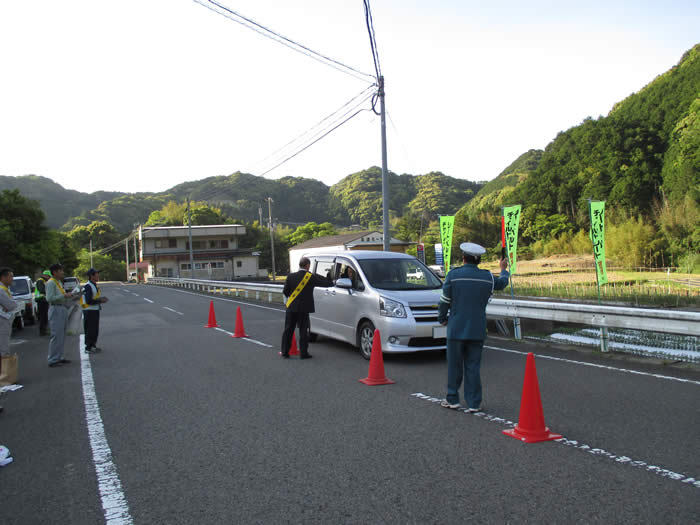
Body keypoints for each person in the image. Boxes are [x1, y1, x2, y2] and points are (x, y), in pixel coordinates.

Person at [438, 243, 509, 411]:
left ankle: (453, 399)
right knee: (473, 366)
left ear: (463, 258)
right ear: (479, 260)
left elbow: (444, 301)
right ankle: (474, 403)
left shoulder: (453, 275)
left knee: (454, 366)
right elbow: (503, 282)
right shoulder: (487, 277)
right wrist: (503, 268)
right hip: (477, 329)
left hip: (456, 328)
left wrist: (442, 318)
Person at [281, 257, 333, 359]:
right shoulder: (310, 277)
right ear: (308, 265)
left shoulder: (290, 276)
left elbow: (285, 291)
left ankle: (285, 352)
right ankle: (303, 353)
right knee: (303, 330)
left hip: (291, 307)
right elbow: (324, 283)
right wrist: (331, 280)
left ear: (300, 265)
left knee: (288, 330)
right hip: (304, 308)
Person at [46, 263, 77, 367]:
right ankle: (53, 359)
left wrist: (69, 296)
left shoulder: (58, 282)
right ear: (55, 272)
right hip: (55, 309)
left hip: (62, 308)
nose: (62, 272)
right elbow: (49, 298)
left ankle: (59, 356)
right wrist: (64, 295)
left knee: (62, 335)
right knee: (56, 335)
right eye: (60, 271)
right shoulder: (51, 283)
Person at [0, 268, 19, 414]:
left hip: (5, 323)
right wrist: (11, 304)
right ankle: (4, 378)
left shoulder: (4, 289)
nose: (12, 279)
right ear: (3, 277)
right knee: (3, 352)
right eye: (11, 276)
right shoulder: (1, 289)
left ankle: (5, 377)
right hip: (2, 325)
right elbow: (12, 305)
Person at [81, 268, 108, 354]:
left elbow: (94, 298)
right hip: (89, 311)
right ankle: (88, 347)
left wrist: (100, 299)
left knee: (94, 329)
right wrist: (100, 300)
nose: (98, 276)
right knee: (90, 329)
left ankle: (93, 345)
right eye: (96, 274)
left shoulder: (94, 285)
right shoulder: (88, 286)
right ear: (91, 276)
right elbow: (89, 300)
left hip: (94, 310)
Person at [34, 270, 50, 336]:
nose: (49, 278)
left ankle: (44, 330)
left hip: (43, 300)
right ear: (45, 275)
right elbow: (42, 290)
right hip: (41, 300)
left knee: (45, 316)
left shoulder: (43, 281)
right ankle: (42, 331)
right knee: (43, 316)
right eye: (49, 276)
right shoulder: (40, 281)